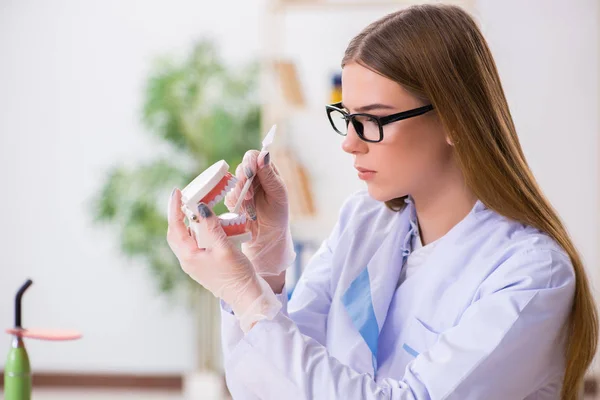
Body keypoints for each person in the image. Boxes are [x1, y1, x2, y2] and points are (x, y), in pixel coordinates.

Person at [166, 4, 598, 399]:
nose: (350, 144)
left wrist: (246, 295)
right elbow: (268, 385)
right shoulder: (365, 221)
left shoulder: (530, 276)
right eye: (348, 119)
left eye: (372, 120)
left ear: (453, 118)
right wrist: (264, 263)